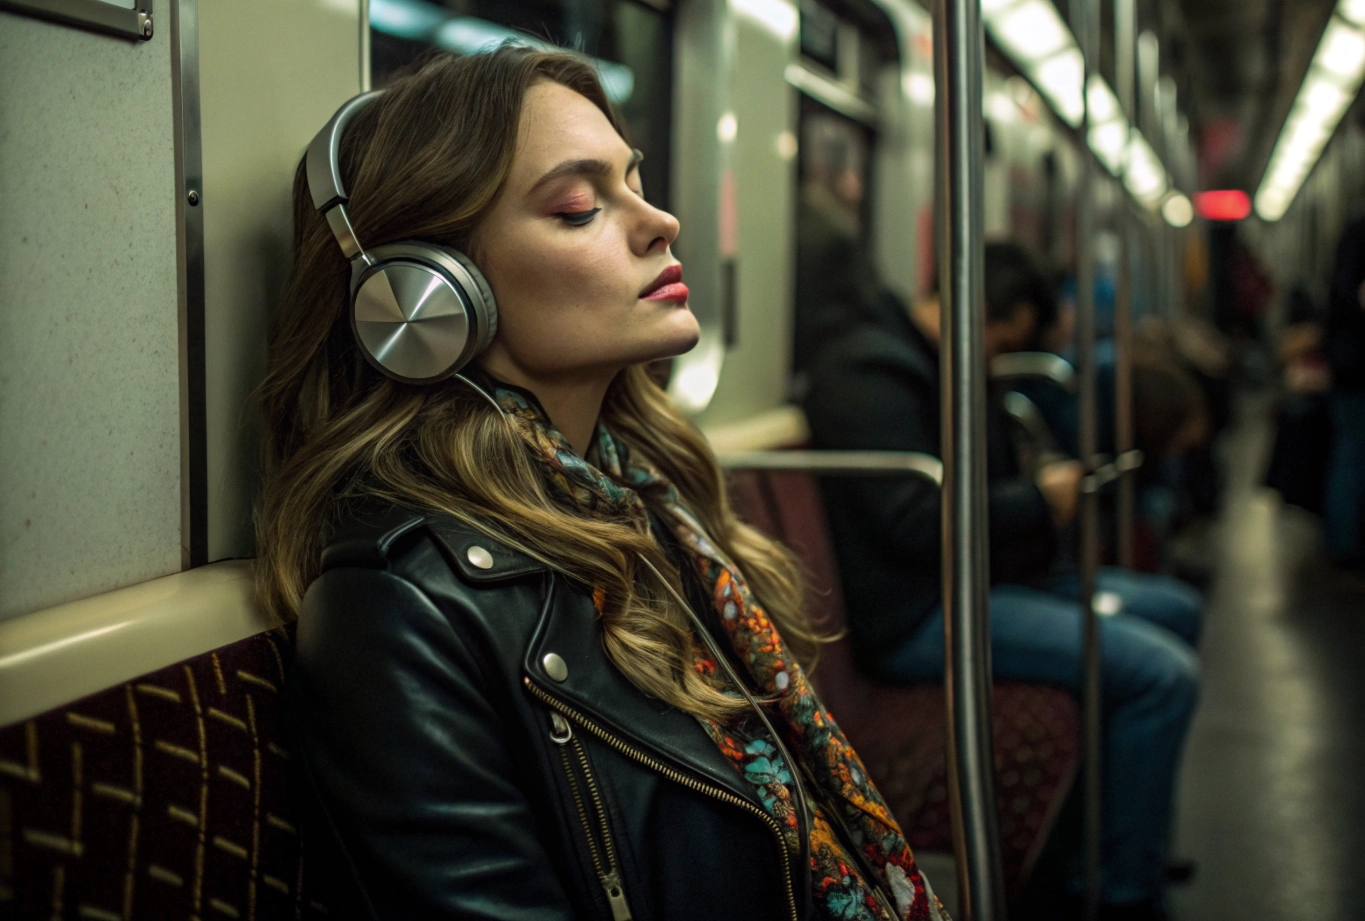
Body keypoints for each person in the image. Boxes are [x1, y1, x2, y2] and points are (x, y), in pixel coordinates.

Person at [257, 47, 948, 921]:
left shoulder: (640, 494)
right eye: (578, 208)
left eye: (634, 182)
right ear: (427, 293)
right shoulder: (401, 607)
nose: (661, 221)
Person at [802, 242, 1201, 920]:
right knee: (1162, 675)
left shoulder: (945, 364)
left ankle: (1120, 840)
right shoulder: (871, 372)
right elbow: (913, 522)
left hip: (980, 582)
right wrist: (1037, 502)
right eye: (1005, 339)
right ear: (988, 313)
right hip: (920, 614)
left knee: (1174, 610)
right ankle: (1124, 893)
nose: (999, 356)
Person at [1324, 216, 1365, 568]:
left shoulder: (1353, 233)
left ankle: (1344, 542)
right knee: (1352, 457)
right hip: (1357, 371)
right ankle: (1346, 544)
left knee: (1349, 454)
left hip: (1348, 367)